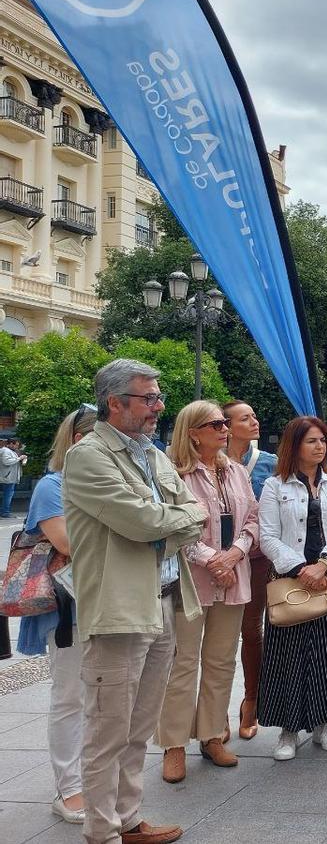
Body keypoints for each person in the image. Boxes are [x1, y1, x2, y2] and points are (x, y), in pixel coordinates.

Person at [63, 358, 209, 844]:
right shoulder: (89, 456)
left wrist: (165, 522)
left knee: (138, 727)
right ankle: (101, 832)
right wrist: (169, 522)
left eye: (158, 397)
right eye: (149, 398)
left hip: (164, 599)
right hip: (119, 611)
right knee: (107, 731)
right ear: (115, 403)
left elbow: (194, 512)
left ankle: (127, 820)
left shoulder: (151, 453)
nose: (159, 406)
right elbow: (141, 522)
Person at [156, 401, 258, 782]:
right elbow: (176, 527)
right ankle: (174, 744)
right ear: (193, 431)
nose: (224, 429)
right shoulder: (175, 473)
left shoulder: (234, 470)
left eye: (222, 424)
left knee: (220, 661)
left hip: (234, 576)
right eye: (215, 424)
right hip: (192, 581)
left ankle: (213, 735)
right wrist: (213, 560)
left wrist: (234, 555)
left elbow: (252, 518)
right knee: (183, 664)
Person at [257, 416, 327, 761]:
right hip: (290, 577)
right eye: (311, 440)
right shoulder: (275, 486)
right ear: (294, 444)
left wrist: (323, 564)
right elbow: (267, 535)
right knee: (288, 651)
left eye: (323, 440)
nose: (320, 446)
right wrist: (301, 568)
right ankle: (287, 729)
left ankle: (323, 723)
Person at [16, 407, 96, 825]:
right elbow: (66, 541)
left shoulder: (107, 479)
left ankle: (93, 778)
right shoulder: (53, 485)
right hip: (69, 605)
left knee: (102, 697)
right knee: (70, 696)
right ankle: (69, 787)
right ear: (79, 440)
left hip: (108, 600)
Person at [222, 399, 278, 740]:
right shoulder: (210, 463)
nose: (255, 421)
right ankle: (215, 712)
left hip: (258, 558)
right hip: (217, 559)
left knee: (254, 631)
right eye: (246, 418)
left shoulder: (268, 463)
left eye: (255, 415)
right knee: (222, 635)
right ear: (226, 426)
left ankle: (251, 700)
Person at [0, 437, 27, 518]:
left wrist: (21, 459)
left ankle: (4, 511)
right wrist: (19, 458)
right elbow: (6, 461)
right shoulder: (5, 451)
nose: (17, 447)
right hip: (8, 477)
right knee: (8, 495)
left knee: (7, 494)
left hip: (9, 476)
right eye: (16, 445)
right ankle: (5, 512)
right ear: (11, 444)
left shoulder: (8, 451)